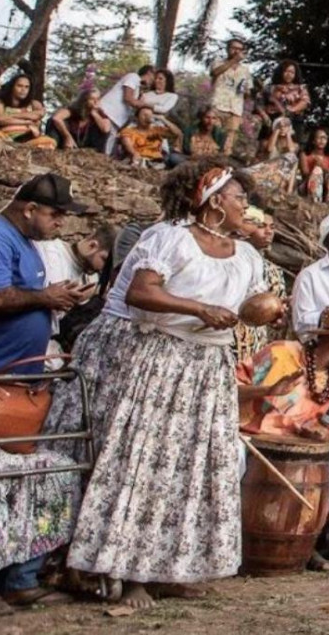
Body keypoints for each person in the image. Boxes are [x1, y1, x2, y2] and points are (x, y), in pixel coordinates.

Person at [68, 162, 264, 608]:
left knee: (194, 467)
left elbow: (249, 302)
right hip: (164, 358)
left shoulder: (247, 253)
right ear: (215, 201)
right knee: (148, 464)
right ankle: (132, 573)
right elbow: (140, 293)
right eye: (238, 198)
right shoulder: (170, 238)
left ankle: (174, 568)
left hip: (209, 364)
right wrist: (198, 309)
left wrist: (264, 307)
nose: (245, 206)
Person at [0, 173, 91, 608]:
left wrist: (59, 296)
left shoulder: (29, 245)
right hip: (0, 382)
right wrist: (45, 297)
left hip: (22, 384)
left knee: (36, 480)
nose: (61, 224)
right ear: (29, 209)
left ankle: (19, 579)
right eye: (56, 214)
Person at [236, 305, 329, 568]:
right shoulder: (281, 353)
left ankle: (313, 540)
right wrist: (266, 390)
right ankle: (233, 540)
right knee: (229, 455)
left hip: (302, 452)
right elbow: (230, 386)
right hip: (252, 438)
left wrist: (323, 434)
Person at [0, 74, 53, 148]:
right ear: (12, 87)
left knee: (49, 142)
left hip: (28, 139)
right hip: (5, 137)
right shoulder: (0, 103)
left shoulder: (34, 104)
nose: (23, 90)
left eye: (26, 87)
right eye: (19, 86)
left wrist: (10, 117)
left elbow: (38, 115)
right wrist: (25, 122)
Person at [207, 36, 253, 126]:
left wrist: (246, 92)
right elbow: (214, 73)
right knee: (215, 135)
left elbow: (248, 92)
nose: (237, 51)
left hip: (235, 109)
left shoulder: (245, 70)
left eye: (240, 49)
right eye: (234, 48)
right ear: (227, 49)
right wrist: (235, 60)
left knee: (230, 138)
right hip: (218, 106)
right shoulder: (218, 62)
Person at [117, 105, 181, 167]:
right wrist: (134, 153)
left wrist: (163, 119)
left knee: (174, 158)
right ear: (137, 117)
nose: (147, 117)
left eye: (149, 115)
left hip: (158, 159)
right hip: (141, 158)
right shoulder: (128, 131)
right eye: (144, 115)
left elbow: (177, 133)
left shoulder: (156, 129)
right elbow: (127, 145)